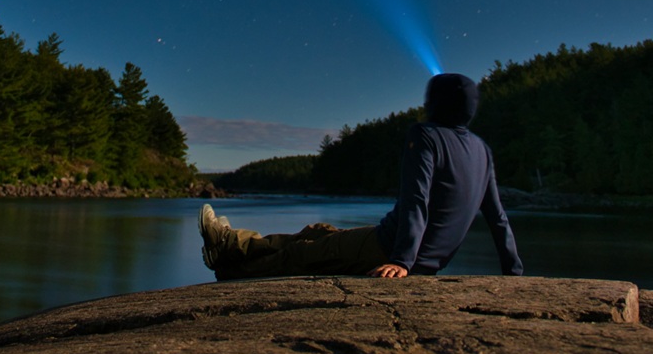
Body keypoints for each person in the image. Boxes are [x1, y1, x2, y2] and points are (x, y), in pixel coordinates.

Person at [197, 72, 523, 280]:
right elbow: (498, 218)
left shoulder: (426, 135)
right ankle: (232, 243)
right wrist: (514, 271)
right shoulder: (482, 150)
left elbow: (416, 201)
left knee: (303, 255)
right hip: (421, 255)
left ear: (436, 102)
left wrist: (403, 261)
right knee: (318, 231)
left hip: (389, 248)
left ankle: (228, 262)